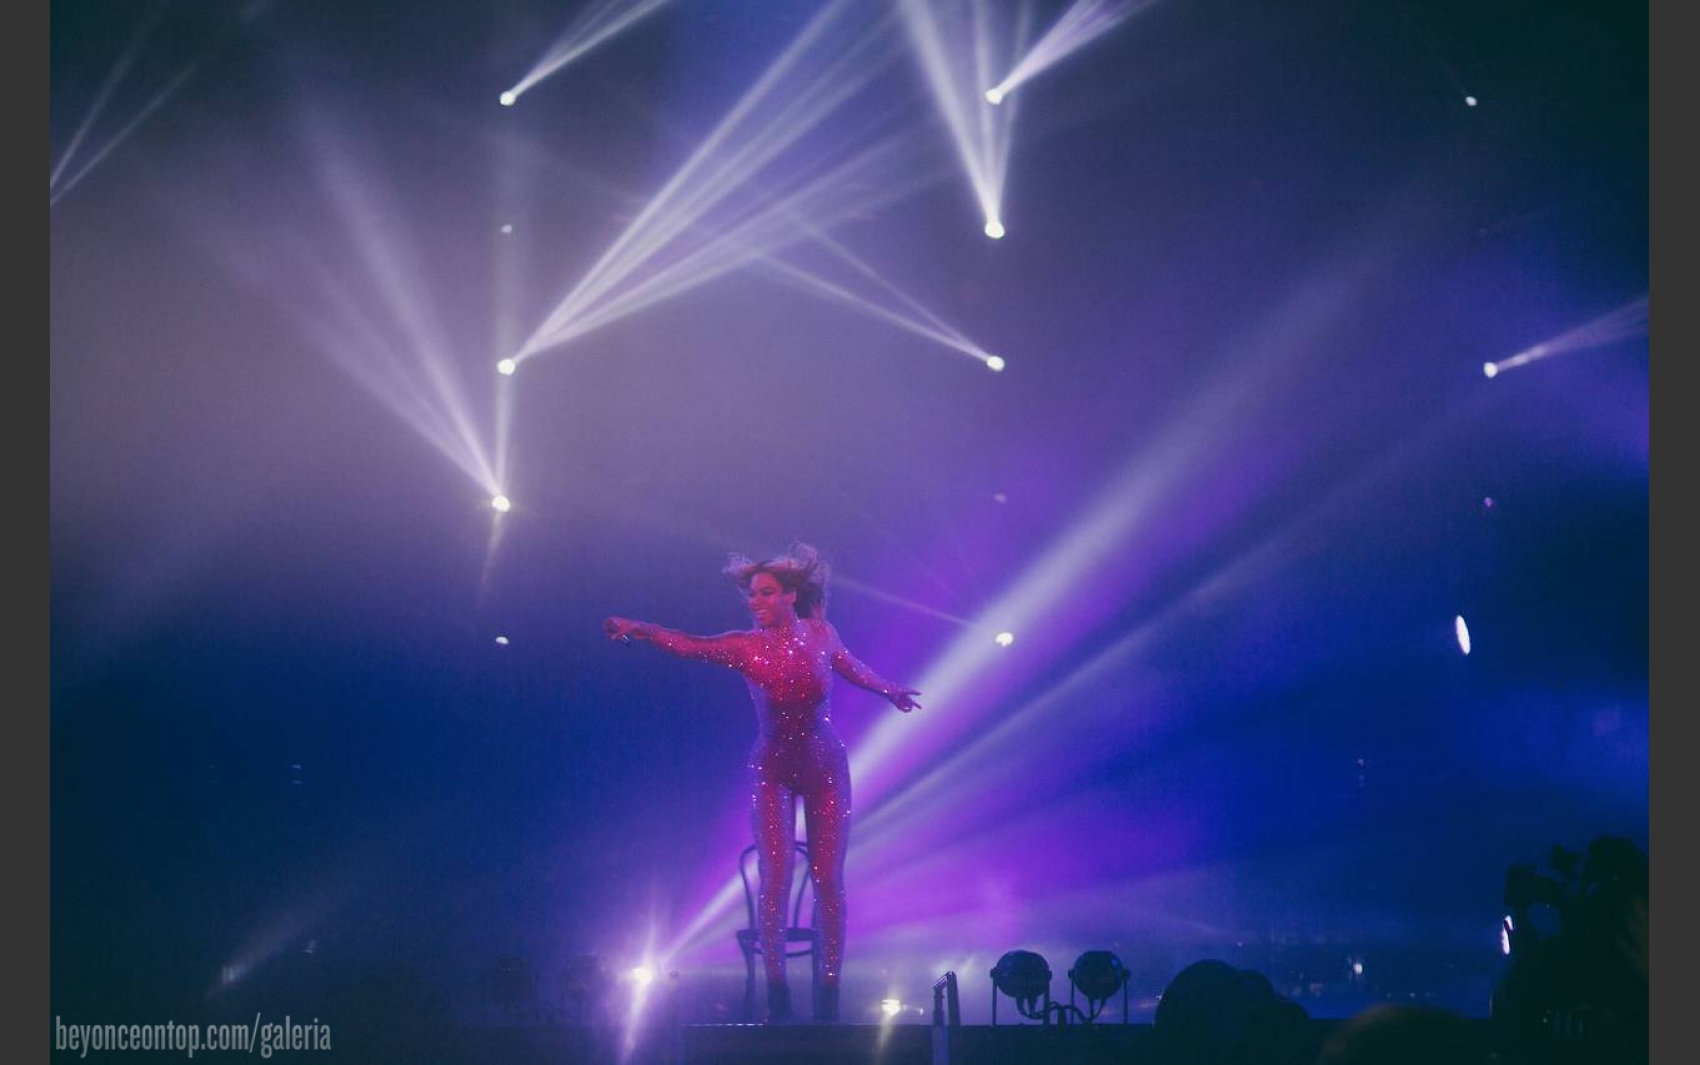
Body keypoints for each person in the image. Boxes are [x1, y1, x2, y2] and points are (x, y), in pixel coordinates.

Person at [604, 544, 919, 1023]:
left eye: (766, 594)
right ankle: (777, 991)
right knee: (775, 878)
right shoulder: (743, 647)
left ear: (790, 596)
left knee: (827, 881)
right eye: (752, 595)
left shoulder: (821, 633)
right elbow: (691, 645)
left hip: (825, 768)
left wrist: (889, 689)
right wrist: (641, 629)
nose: (756, 602)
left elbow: (851, 667)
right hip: (772, 769)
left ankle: (829, 993)